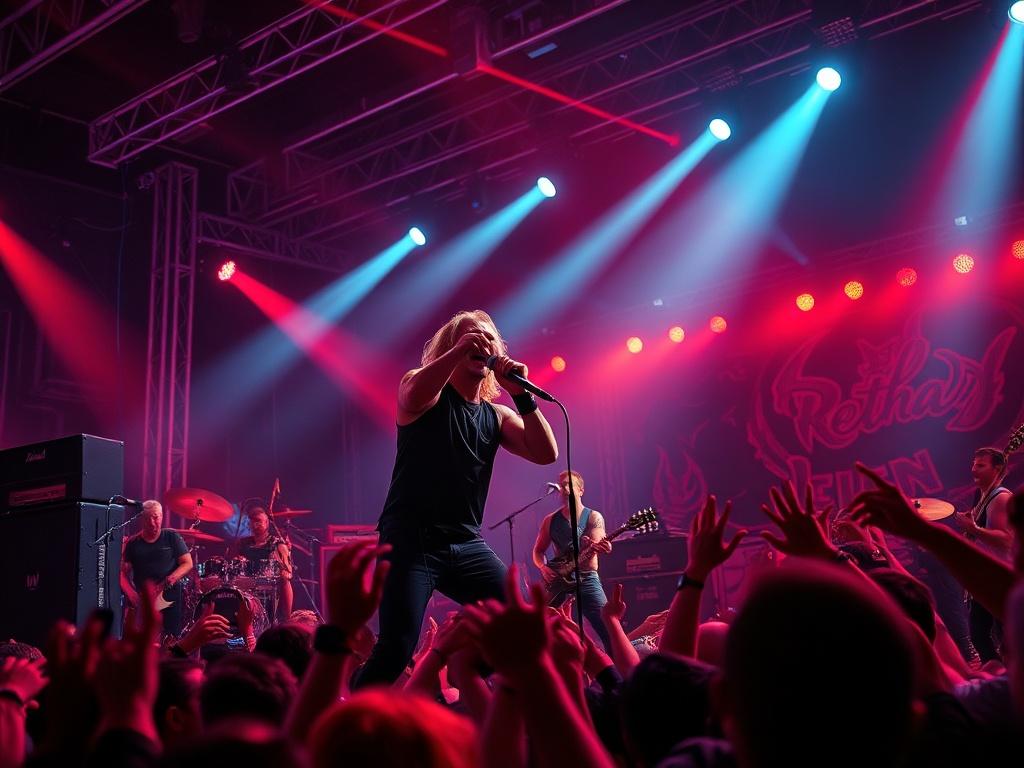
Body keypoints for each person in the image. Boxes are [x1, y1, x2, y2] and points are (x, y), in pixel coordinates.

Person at [354, 309, 558, 687]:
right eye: (470, 336)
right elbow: (414, 393)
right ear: (452, 346)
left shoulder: (496, 416)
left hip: (465, 543)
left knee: (522, 626)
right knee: (397, 647)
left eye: (487, 336)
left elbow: (547, 453)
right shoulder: (422, 388)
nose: (480, 340)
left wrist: (521, 396)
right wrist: (455, 352)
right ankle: (347, 709)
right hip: (411, 539)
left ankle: (462, 683)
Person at [533, 470, 612, 650]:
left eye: (569, 484)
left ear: (581, 490)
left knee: (608, 628)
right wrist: (543, 568)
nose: (565, 488)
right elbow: (538, 551)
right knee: (539, 629)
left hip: (587, 578)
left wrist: (600, 546)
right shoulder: (550, 521)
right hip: (558, 581)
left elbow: (599, 541)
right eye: (562, 486)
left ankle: (620, 673)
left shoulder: (593, 517)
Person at [954, 447, 1013, 662]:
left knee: (1002, 637)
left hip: (999, 579)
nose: (973, 469)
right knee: (981, 635)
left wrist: (974, 530)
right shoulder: (983, 497)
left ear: (997, 468)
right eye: (973, 464)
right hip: (988, 579)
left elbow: (1006, 539)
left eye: (980, 465)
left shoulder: (1000, 498)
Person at [121, 500, 193, 637]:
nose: (153, 523)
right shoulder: (133, 543)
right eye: (148, 519)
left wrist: (169, 579)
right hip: (144, 601)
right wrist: (131, 594)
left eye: (156, 517)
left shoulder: (171, 536)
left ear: (162, 516)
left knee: (169, 640)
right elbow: (121, 573)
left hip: (169, 598)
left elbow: (187, 563)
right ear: (141, 519)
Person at [236, 506, 293, 621]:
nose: (255, 524)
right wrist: (238, 560)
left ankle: (287, 619)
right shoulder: (244, 544)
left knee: (285, 580)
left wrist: (283, 570)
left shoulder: (277, 543)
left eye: (259, 521)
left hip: (269, 582)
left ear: (267, 523)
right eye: (253, 521)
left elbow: (288, 571)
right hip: (247, 583)